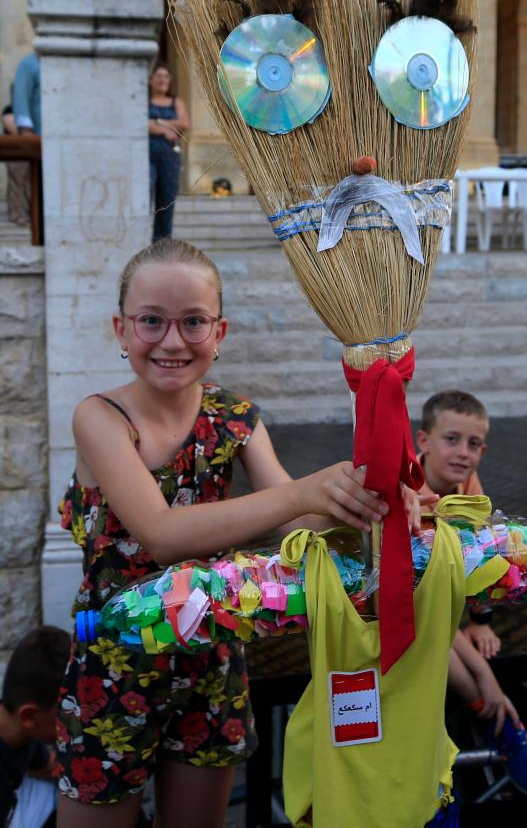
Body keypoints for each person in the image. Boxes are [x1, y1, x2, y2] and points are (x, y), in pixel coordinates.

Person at [56, 237, 395, 828]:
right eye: (151, 321)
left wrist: (365, 490)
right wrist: (300, 493)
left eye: (193, 322)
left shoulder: (235, 417)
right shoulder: (99, 417)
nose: (171, 340)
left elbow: (295, 520)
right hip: (112, 666)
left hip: (209, 661)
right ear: (121, 329)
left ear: (220, 332)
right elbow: (159, 532)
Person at [416, 390, 527, 797]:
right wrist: (484, 673)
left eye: (473, 444)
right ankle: (497, 718)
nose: (463, 453)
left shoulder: (469, 489)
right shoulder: (412, 498)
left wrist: (481, 620)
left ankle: (494, 716)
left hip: (442, 599)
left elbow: (484, 558)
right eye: (451, 439)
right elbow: (422, 600)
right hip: (400, 604)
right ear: (423, 441)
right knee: (429, 636)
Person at [0, 625, 71, 827]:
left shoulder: (21, 734)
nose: (78, 723)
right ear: (29, 716)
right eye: (69, 714)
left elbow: (50, 766)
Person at [148, 64, 189, 242]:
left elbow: (185, 124)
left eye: (166, 76)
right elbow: (141, 124)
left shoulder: (176, 102)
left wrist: (157, 122)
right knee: (146, 195)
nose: (162, 80)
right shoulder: (143, 101)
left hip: (169, 157)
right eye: (158, 76)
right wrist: (166, 129)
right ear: (151, 80)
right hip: (146, 156)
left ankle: (161, 241)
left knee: (166, 200)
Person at [8, 54, 41, 227]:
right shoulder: (29, 64)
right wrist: (26, 131)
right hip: (33, 138)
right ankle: (20, 215)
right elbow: (20, 98)